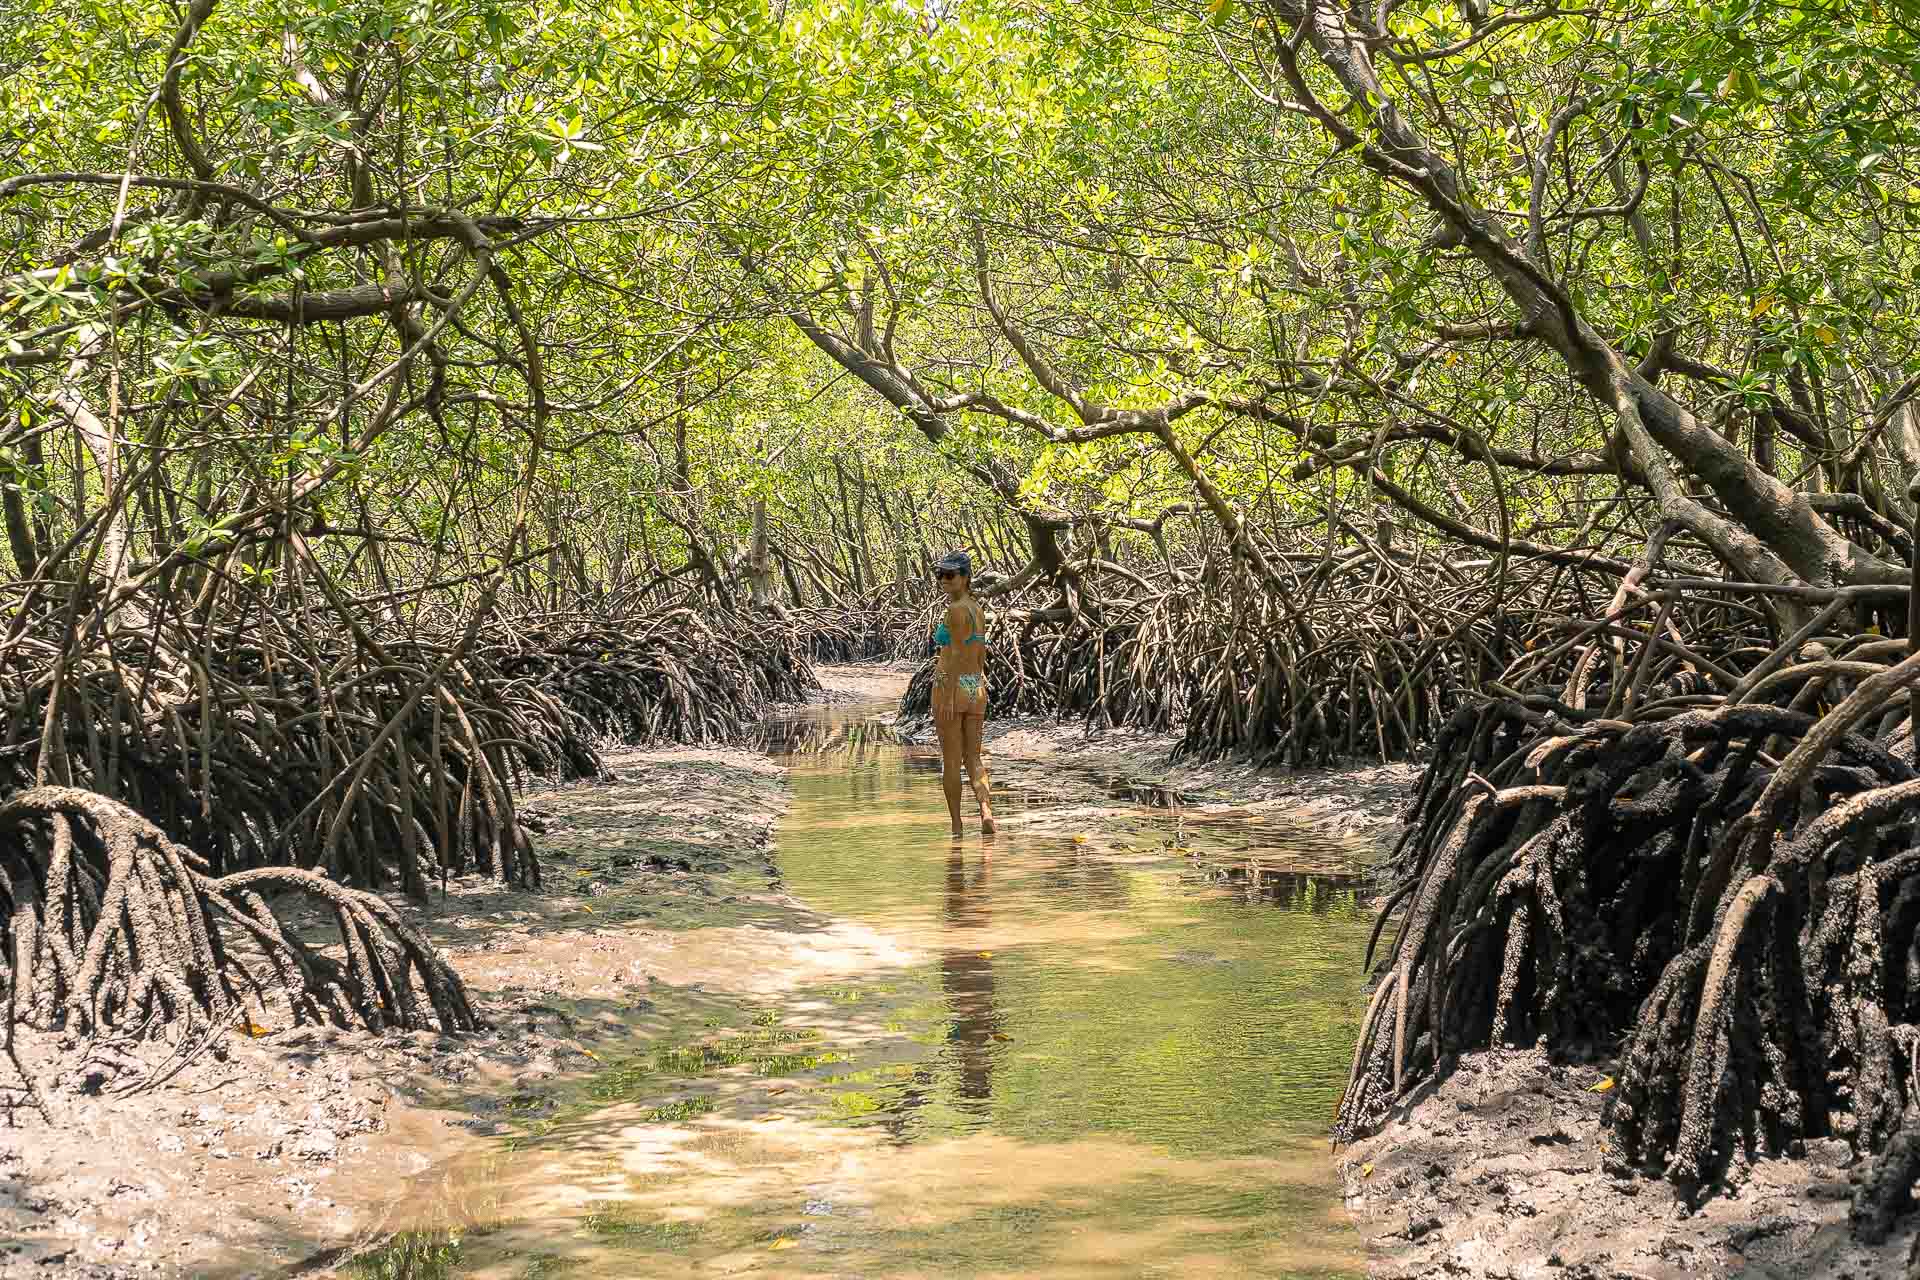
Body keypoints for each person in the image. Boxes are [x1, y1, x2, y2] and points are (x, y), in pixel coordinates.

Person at [930, 550, 995, 835]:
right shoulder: (976, 608)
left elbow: (954, 655)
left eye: (950, 575)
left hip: (953, 686)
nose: (943, 580)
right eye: (940, 574)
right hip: (974, 683)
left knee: (952, 761)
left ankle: (956, 827)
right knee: (974, 757)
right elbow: (978, 654)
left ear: (965, 578)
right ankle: (985, 812)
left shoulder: (955, 610)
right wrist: (974, 686)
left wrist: (947, 697)